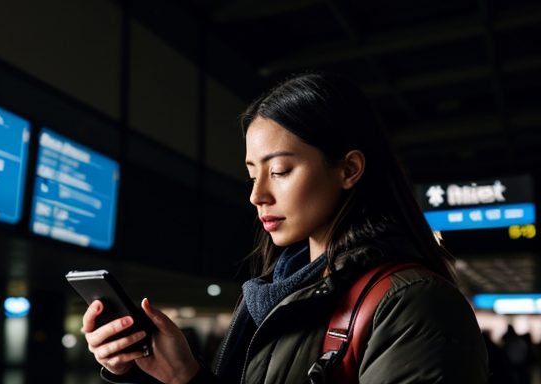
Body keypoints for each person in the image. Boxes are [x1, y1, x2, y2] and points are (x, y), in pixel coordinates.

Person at [82, 72, 489, 383]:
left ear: (349, 169)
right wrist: (178, 376)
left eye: (279, 170)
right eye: (251, 174)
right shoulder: (269, 297)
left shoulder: (413, 304)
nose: (256, 195)